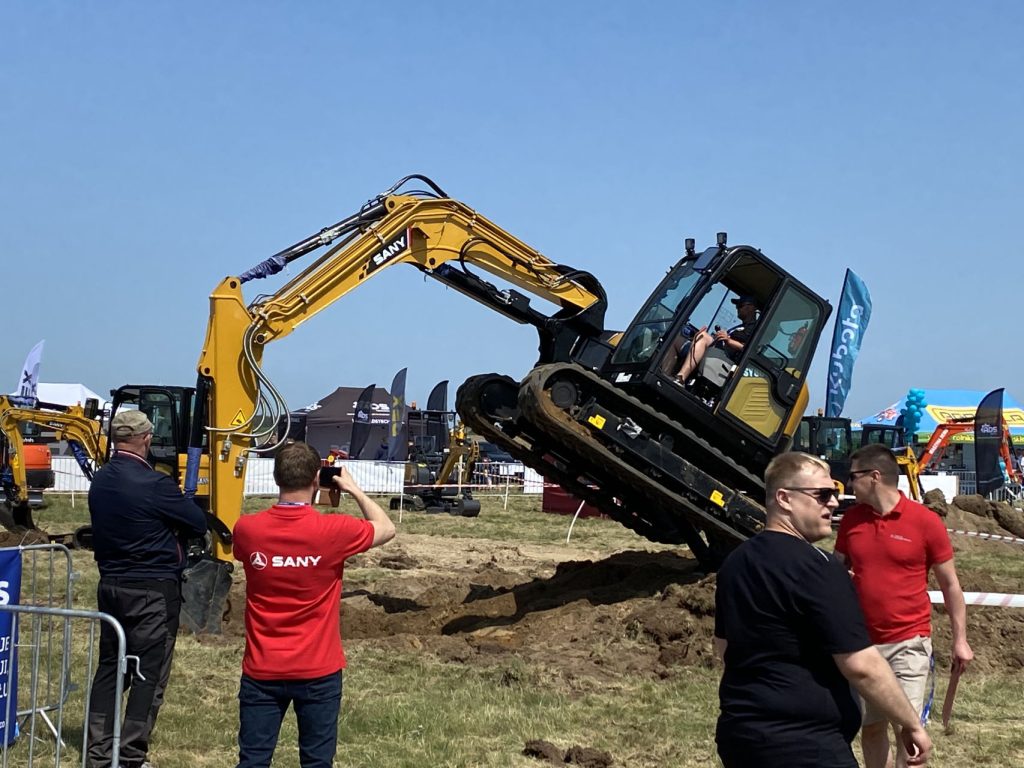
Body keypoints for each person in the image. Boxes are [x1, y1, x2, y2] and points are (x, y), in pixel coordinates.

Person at [714, 452, 932, 768]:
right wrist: (911, 723)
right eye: (823, 494)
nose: (833, 502)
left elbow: (723, 648)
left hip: (741, 736)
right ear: (784, 499)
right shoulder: (819, 567)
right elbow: (861, 665)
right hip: (804, 744)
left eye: (835, 493)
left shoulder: (735, 562)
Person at [232, 441, 396, 768]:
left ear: (276, 478)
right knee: (317, 762)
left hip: (263, 666)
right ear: (316, 479)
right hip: (318, 668)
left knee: (253, 760)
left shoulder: (247, 529)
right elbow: (387, 528)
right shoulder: (334, 530)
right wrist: (354, 490)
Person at [836, 443, 972, 768]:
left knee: (908, 733)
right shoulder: (852, 520)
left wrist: (961, 640)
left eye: (853, 476)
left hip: (909, 643)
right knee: (871, 727)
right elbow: (836, 570)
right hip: (863, 646)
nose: (849, 483)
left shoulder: (925, 521)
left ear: (874, 476)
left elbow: (950, 585)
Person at [87, 409, 208, 768]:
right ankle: (130, 755)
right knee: (148, 673)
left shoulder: (100, 480)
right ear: (146, 439)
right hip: (153, 589)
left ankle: (98, 754)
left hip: (111, 584)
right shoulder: (155, 484)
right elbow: (197, 522)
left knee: (110, 668)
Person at [676, 294, 759, 384]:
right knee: (676, 340)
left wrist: (728, 340)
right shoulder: (741, 326)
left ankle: (681, 378)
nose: (737, 309)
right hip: (717, 353)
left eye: (740, 306)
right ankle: (669, 375)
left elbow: (749, 349)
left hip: (725, 361)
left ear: (751, 307)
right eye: (737, 307)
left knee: (703, 337)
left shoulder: (755, 329)